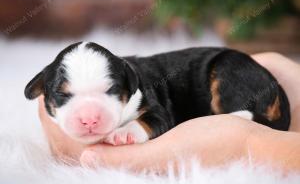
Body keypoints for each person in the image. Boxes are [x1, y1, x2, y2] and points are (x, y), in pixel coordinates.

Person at [38, 52, 300, 174]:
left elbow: (159, 118)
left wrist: (137, 129)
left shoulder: (140, 92)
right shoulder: (122, 75)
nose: (89, 115)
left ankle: (251, 125)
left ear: (129, 84)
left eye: (109, 92)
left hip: (225, 65)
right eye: (65, 96)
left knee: (225, 72)